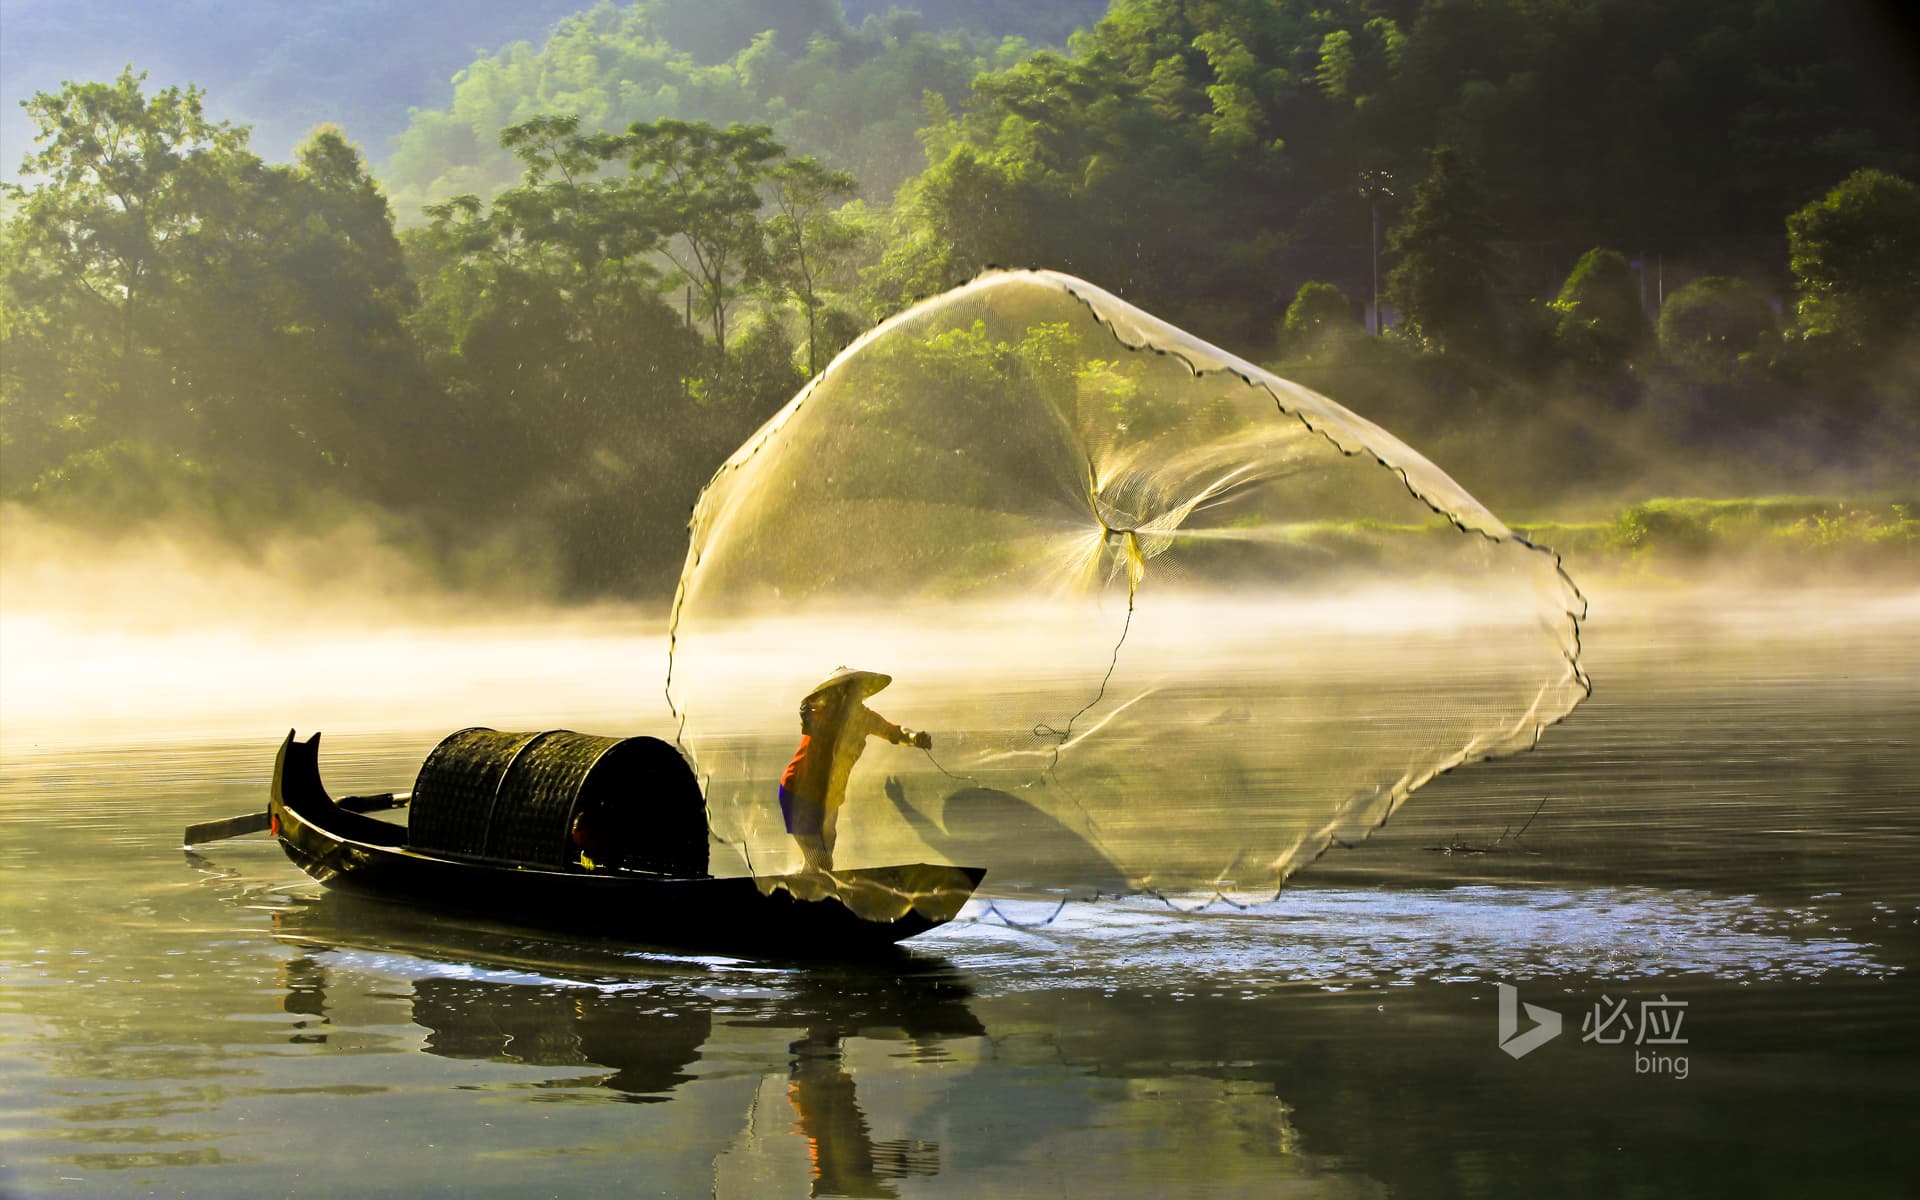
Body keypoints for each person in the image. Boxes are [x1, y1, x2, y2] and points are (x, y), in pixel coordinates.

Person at [779, 667, 932, 872]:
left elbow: (895, 732)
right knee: (820, 860)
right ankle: (806, 887)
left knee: (824, 857)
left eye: (857, 690)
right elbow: (807, 721)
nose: (854, 695)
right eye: (849, 690)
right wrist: (807, 717)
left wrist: (915, 738)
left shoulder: (864, 718)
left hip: (831, 797)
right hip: (799, 791)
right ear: (838, 693)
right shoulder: (821, 714)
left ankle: (806, 886)